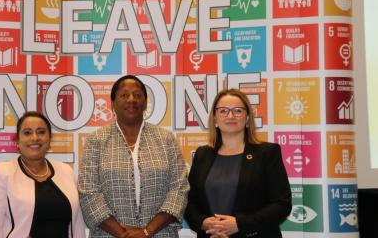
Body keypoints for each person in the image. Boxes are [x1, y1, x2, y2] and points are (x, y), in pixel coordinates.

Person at [78, 75, 189, 238]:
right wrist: (124, 235)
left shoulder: (166, 139)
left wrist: (147, 231)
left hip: (160, 234)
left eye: (137, 95)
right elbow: (89, 193)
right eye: (124, 95)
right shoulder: (96, 140)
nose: (132, 100)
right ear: (113, 104)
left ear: (145, 103)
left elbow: (179, 189)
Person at [185, 89, 291, 238]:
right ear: (215, 118)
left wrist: (240, 224)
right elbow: (190, 202)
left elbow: (282, 204)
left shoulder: (267, 153)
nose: (230, 116)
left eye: (237, 110)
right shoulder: (202, 154)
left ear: (247, 118)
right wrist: (204, 223)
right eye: (223, 111)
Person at [0, 111, 85, 238]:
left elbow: (77, 223)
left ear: (49, 139)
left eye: (41, 132)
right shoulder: (1, 173)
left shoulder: (66, 171)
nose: (35, 138)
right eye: (27, 133)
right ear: (17, 140)